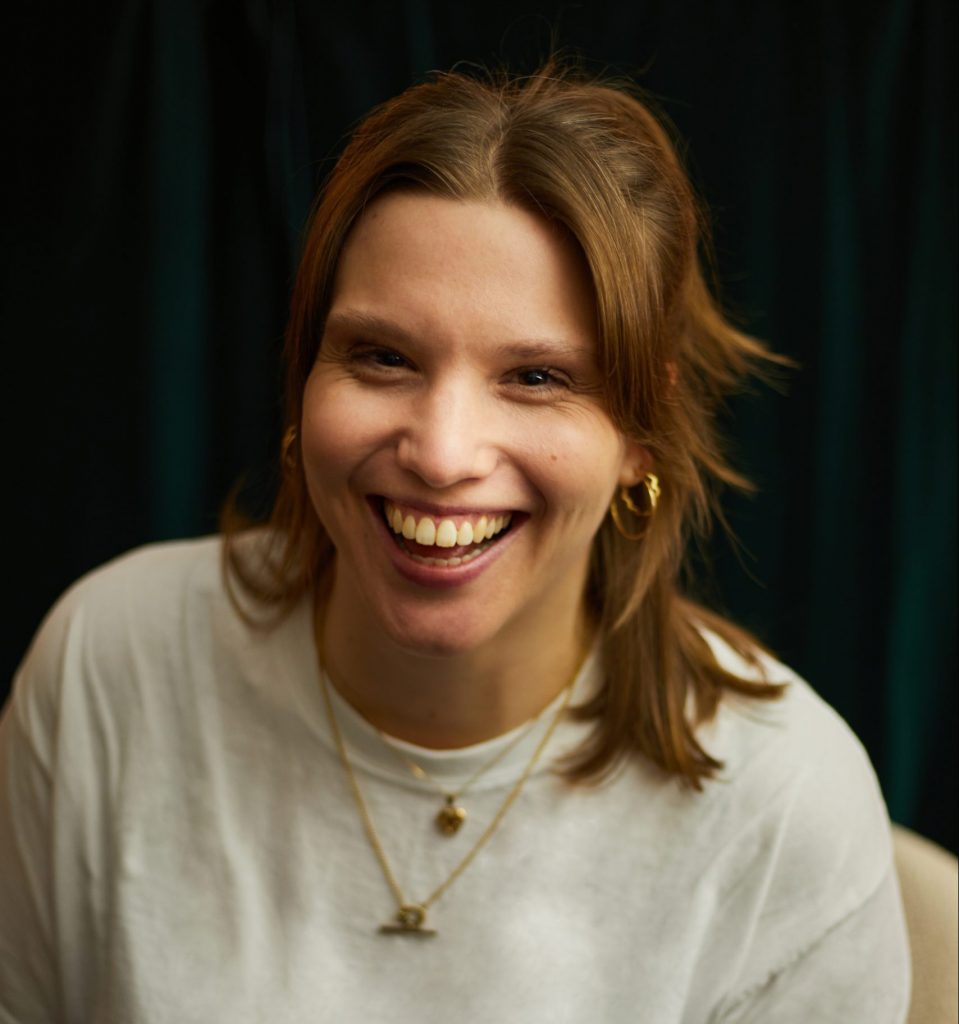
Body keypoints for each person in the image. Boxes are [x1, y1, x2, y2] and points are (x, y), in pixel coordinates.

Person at [0, 64, 909, 1023]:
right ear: (305, 379)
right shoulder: (109, 661)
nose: (440, 455)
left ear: (642, 425)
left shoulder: (787, 809)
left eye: (536, 376)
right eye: (382, 357)